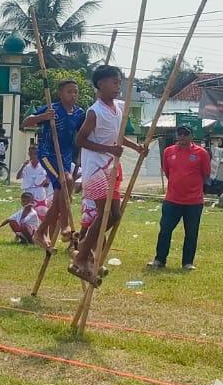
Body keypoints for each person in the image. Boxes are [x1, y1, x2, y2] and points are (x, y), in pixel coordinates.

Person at [68, 66, 146, 285]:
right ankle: (82, 256)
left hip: (110, 166)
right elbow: (80, 141)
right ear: (100, 84)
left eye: (119, 82)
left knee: (114, 215)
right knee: (103, 216)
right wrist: (108, 150)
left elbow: (117, 137)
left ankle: (83, 248)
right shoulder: (95, 111)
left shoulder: (118, 108)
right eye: (113, 82)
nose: (117, 86)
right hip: (95, 169)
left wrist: (135, 147)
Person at [21, 80, 84, 255]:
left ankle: (40, 232)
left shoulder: (79, 113)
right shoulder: (52, 109)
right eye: (69, 92)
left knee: (60, 197)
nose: (73, 95)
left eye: (75, 92)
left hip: (65, 156)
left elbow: (83, 132)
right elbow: (26, 122)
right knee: (68, 181)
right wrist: (43, 118)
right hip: (49, 154)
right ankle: (64, 225)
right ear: (60, 94)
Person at [151, 123, 209, 270]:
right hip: (172, 199)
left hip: (193, 201)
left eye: (185, 134)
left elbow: (206, 174)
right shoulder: (168, 152)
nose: (182, 137)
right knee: (165, 230)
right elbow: (167, 172)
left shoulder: (201, 153)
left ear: (191, 136)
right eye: (180, 134)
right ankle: (160, 260)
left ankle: (187, 262)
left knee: (191, 233)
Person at [15, 142, 53, 206]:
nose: (33, 155)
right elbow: (17, 177)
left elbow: (50, 176)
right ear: (29, 154)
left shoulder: (44, 165)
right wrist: (23, 167)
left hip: (40, 192)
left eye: (35, 153)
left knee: (40, 209)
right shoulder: (26, 165)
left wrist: (45, 181)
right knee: (27, 210)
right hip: (28, 191)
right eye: (31, 153)